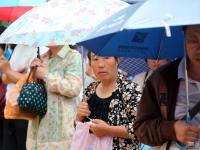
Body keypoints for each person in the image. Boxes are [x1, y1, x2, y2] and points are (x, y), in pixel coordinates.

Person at [134, 25, 200, 150]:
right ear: (184, 38)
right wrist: (171, 129)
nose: (199, 48)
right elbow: (141, 128)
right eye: (193, 40)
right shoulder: (161, 78)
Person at [76, 52, 142, 150]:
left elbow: (141, 130)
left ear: (117, 60)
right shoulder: (90, 89)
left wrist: (107, 130)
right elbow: (79, 125)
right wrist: (79, 117)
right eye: (95, 59)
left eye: (106, 58)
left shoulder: (131, 89)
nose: (101, 65)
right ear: (90, 63)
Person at [27, 45, 82, 150]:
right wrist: (33, 73)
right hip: (38, 124)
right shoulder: (42, 58)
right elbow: (35, 89)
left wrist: (46, 75)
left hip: (60, 128)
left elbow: (73, 88)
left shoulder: (73, 56)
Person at [0, 44, 47, 150]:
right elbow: (5, 79)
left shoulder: (40, 48)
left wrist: (9, 71)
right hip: (10, 109)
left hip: (26, 108)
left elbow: (33, 80)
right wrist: (13, 73)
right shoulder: (18, 47)